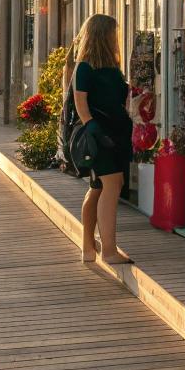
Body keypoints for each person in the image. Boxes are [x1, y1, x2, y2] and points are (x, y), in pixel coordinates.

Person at [72, 14, 132, 265]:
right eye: (112, 33)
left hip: (116, 132)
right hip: (98, 133)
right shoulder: (84, 66)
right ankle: (108, 249)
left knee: (97, 188)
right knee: (113, 184)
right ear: (102, 35)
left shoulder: (111, 66)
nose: (115, 37)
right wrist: (92, 127)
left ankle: (88, 247)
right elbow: (80, 102)